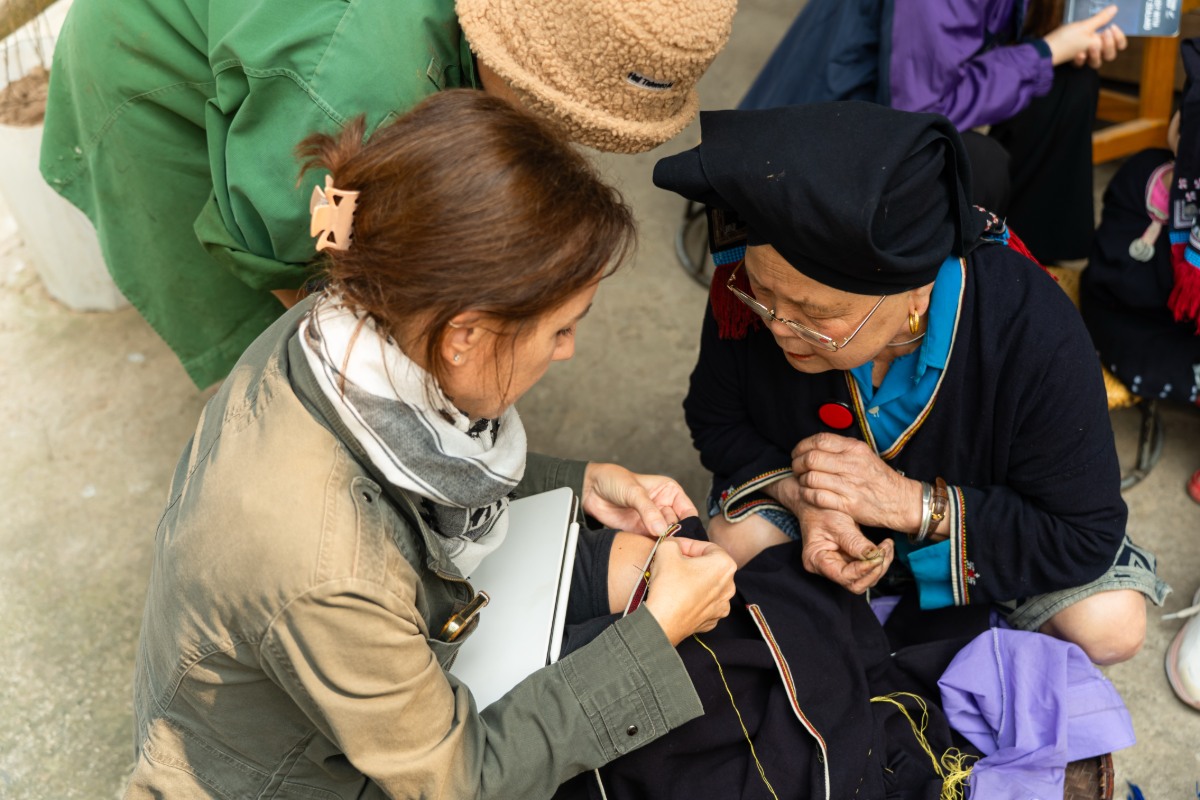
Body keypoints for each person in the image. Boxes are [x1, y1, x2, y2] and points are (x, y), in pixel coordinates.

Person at [124, 91, 737, 798]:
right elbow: (455, 782)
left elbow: (413, 487)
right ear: (465, 336)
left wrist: (581, 481)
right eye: (561, 328)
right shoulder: (328, 566)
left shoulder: (332, 335)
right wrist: (654, 638)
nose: (568, 351)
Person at [653, 101, 1171, 667]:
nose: (777, 326)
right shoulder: (753, 284)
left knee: (1111, 626)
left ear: (917, 293)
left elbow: (1082, 530)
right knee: (739, 541)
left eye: (814, 313)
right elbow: (717, 420)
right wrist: (801, 500)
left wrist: (913, 505)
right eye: (764, 297)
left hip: (970, 519)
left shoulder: (1030, 328)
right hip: (826, 516)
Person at [40, 0, 736, 389]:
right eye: (561, 120)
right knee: (283, 347)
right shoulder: (349, 92)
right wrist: (391, 374)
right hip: (150, 67)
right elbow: (308, 257)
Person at [733, 0, 1127, 264]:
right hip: (810, 147)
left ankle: (1027, 271)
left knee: (1068, 83)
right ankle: (942, 310)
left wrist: (1066, 42)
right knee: (973, 163)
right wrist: (1044, 52)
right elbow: (920, 110)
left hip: (885, 107)